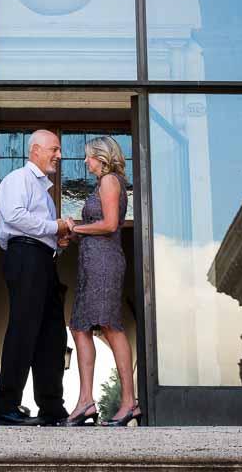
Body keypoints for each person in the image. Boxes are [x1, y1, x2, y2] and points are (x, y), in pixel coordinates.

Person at [0, 129, 72, 427]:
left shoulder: (45, 194)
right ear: (35, 149)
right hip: (24, 258)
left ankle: (52, 409)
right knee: (23, 329)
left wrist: (57, 241)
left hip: (43, 261)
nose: (59, 155)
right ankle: (5, 407)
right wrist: (55, 227)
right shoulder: (17, 180)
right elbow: (15, 217)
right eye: (55, 149)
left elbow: (43, 230)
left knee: (53, 335)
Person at [65, 135, 140, 427]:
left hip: (105, 263)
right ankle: (86, 401)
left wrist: (78, 227)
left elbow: (109, 224)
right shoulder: (102, 184)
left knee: (110, 325)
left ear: (103, 157)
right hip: (91, 263)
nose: (85, 162)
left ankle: (128, 404)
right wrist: (74, 233)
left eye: (89, 156)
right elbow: (98, 226)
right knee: (80, 326)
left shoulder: (110, 180)